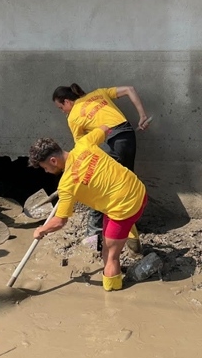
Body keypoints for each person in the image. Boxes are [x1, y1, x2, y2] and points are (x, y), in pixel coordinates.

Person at [29, 125, 147, 292]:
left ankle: (113, 291)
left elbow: (59, 221)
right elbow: (105, 129)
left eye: (44, 167)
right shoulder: (84, 143)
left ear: (53, 161)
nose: (46, 171)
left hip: (123, 209)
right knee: (118, 217)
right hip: (139, 192)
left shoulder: (66, 185)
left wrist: (41, 230)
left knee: (109, 255)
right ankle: (135, 247)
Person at [52, 83, 150, 253]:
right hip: (128, 137)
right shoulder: (98, 93)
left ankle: (94, 236)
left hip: (116, 141)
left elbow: (81, 148)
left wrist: (71, 179)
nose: (63, 112)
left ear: (67, 102)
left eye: (61, 108)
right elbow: (130, 89)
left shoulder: (73, 117)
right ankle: (132, 240)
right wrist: (142, 115)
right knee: (119, 189)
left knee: (101, 190)